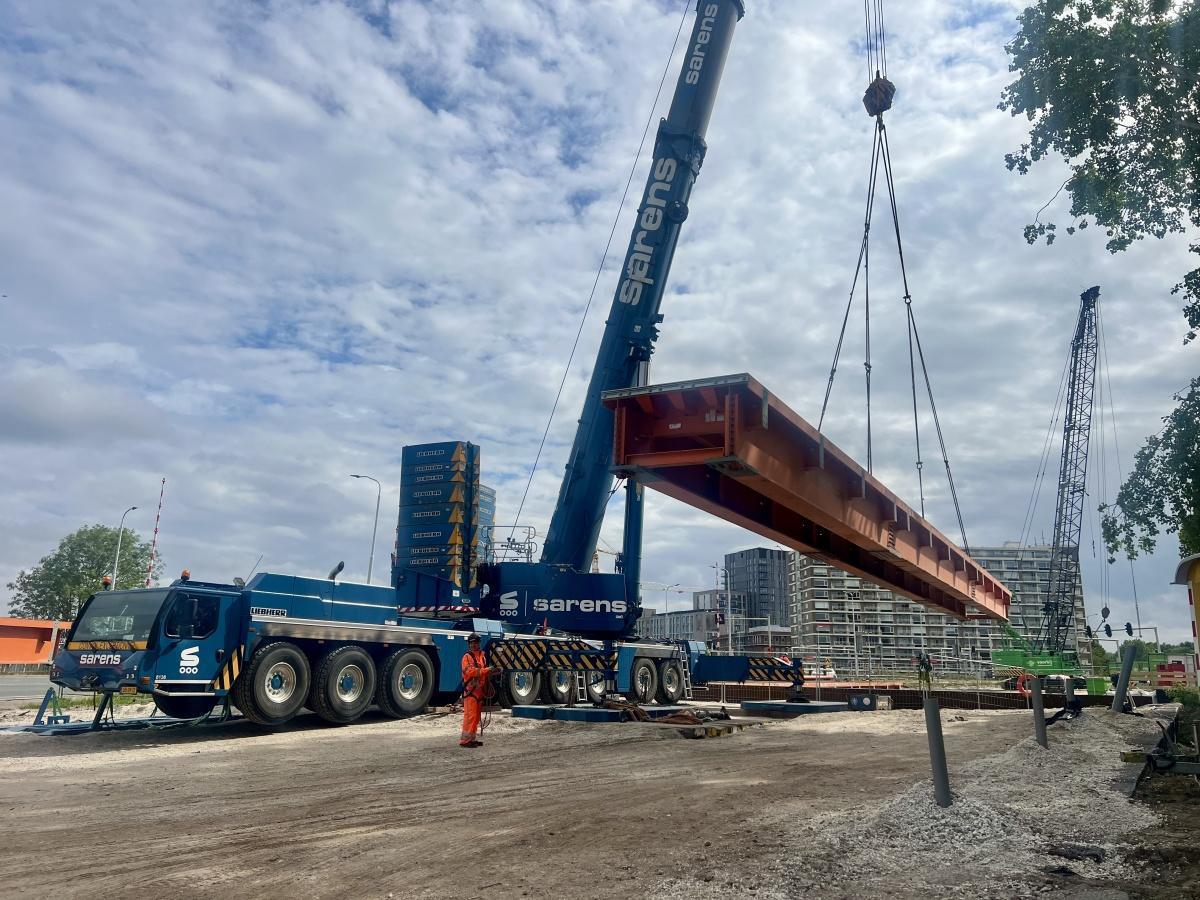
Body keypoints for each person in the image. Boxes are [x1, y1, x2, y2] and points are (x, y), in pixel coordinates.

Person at [459, 633, 493, 748]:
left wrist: (491, 672)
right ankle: (465, 741)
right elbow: (470, 671)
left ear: (479, 643)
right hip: (470, 692)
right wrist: (486, 670)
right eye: (472, 643)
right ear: (469, 644)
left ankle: (471, 739)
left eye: (476, 643)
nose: (474, 645)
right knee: (470, 716)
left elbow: (482, 671)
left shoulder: (482, 656)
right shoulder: (466, 657)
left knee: (476, 717)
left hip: (479, 691)